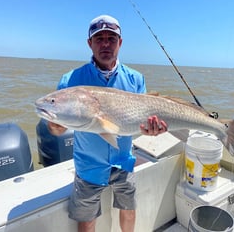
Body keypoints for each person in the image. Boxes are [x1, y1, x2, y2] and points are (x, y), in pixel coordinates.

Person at [48, 14, 168, 232]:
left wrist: (152, 130)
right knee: (87, 220)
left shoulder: (135, 79)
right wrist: (55, 125)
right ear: (89, 43)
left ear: (120, 43)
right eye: (99, 38)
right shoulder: (70, 81)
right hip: (88, 166)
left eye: (111, 39)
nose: (105, 44)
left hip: (124, 160)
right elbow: (56, 127)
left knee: (129, 209)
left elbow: (142, 120)